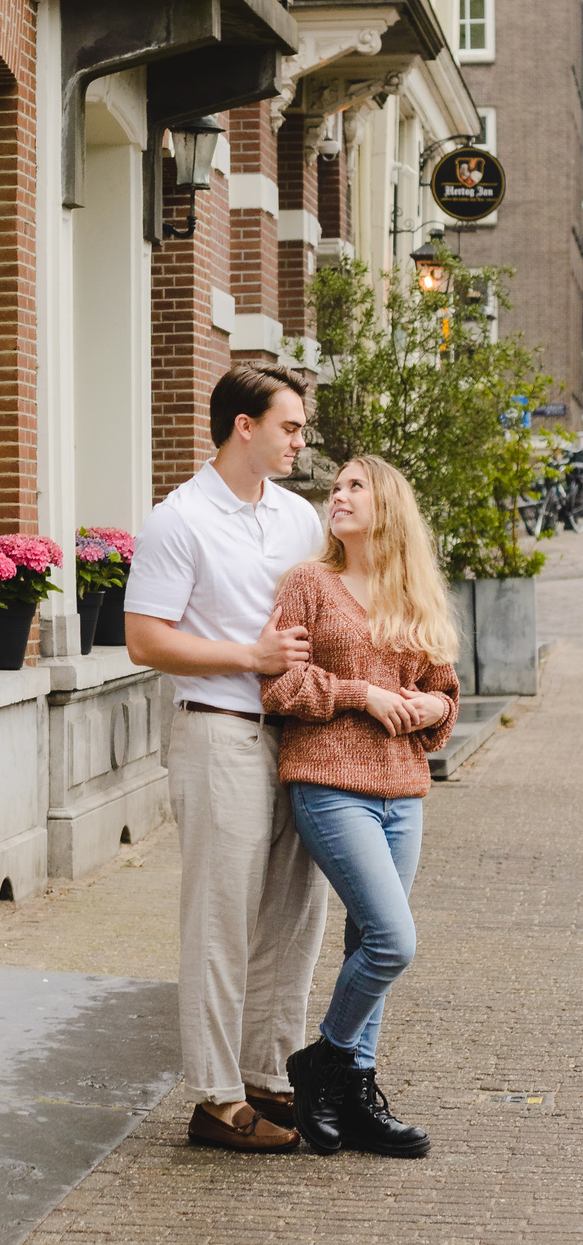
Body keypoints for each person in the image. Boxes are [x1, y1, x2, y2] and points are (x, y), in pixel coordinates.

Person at [124, 365, 329, 1153]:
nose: (299, 440)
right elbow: (145, 638)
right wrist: (251, 656)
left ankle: (268, 1074)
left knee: (294, 912)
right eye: (290, 426)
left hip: (297, 736)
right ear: (244, 426)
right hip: (220, 732)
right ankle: (214, 1100)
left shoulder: (298, 517)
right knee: (221, 917)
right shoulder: (179, 520)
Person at [262, 455, 459, 1158]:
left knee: (365, 943)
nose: (336, 496)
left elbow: (444, 689)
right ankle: (323, 1062)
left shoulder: (414, 595)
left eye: (354, 486)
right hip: (329, 780)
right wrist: (361, 694)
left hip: (403, 790)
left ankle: (354, 1090)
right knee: (392, 940)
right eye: (335, 486)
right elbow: (280, 685)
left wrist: (431, 701)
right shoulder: (310, 583)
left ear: (389, 508)